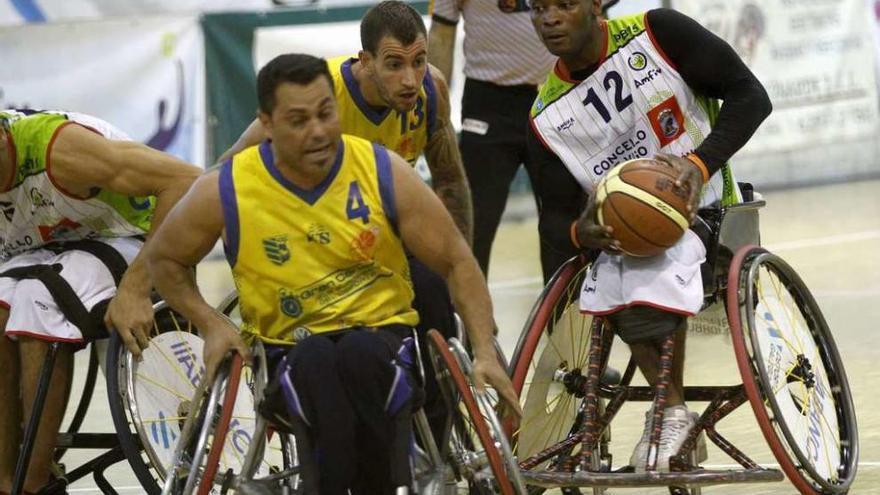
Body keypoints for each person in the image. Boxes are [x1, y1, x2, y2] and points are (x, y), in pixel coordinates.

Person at [148, 53, 520, 495]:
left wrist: (482, 350)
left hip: (384, 340)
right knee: (317, 362)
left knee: (361, 353)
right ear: (266, 123)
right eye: (299, 120)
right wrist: (211, 323)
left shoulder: (381, 169)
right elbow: (165, 260)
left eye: (326, 113)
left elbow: (457, 261)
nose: (319, 130)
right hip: (290, 349)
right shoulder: (228, 187)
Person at [526, 0, 772, 471]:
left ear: (596, 5)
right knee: (612, 270)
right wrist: (583, 230)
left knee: (650, 262)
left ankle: (670, 412)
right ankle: (659, 410)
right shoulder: (544, 117)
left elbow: (751, 96)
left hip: (711, 215)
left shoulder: (659, 33)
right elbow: (553, 218)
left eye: (564, 4)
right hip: (627, 238)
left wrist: (699, 165)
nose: (549, 18)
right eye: (538, 8)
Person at [219, 0, 470, 442]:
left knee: (434, 292)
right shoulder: (322, 95)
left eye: (419, 61)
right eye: (394, 65)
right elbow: (226, 174)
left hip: (382, 246)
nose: (410, 79)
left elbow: (449, 182)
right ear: (365, 61)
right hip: (310, 251)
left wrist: (461, 270)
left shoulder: (432, 91)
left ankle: (435, 432)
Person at [0, 109, 201, 493]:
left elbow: (187, 181)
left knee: (36, 298)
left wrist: (136, 288)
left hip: (134, 237)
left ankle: (35, 482)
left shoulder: (59, 149)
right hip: (53, 246)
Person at [427, 0, 555, 277]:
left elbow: (596, 17)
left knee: (561, 225)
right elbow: (441, 30)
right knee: (474, 225)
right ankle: (471, 319)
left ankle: (563, 317)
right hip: (488, 101)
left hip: (559, 93)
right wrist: (433, 117)